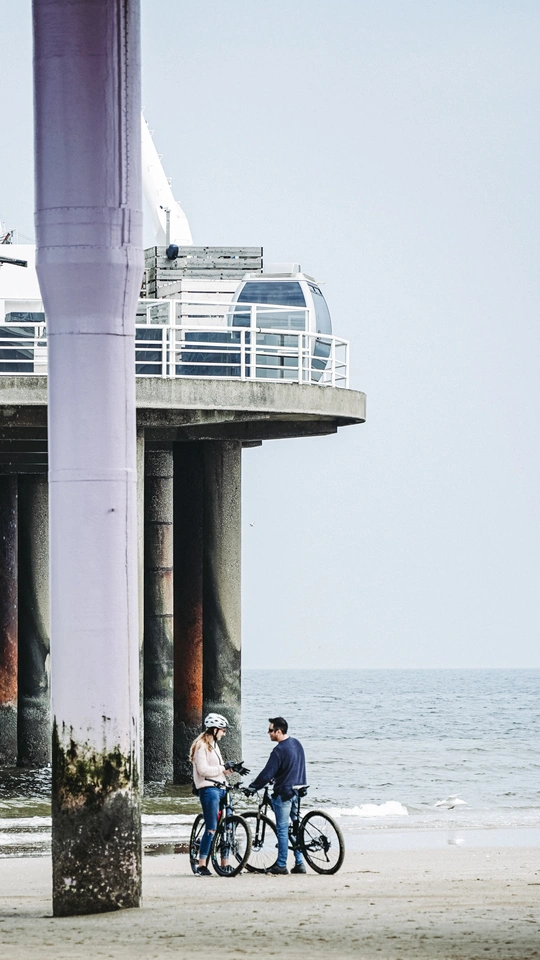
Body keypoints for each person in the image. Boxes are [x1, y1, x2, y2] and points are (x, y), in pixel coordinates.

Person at [248, 716, 307, 875]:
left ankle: (281, 864)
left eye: (270, 730)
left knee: (282, 829)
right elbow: (296, 767)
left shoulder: (278, 750)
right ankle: (300, 862)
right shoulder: (296, 743)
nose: (268, 733)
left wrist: (253, 787)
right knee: (295, 828)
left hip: (284, 793)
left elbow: (267, 773)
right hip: (298, 790)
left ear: (279, 732)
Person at [190, 712, 233, 876]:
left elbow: (218, 770)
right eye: (223, 730)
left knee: (228, 827)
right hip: (209, 789)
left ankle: (225, 863)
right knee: (212, 828)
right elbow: (203, 771)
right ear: (214, 729)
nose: (224, 733)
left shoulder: (214, 745)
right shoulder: (201, 746)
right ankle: (201, 865)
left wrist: (230, 769)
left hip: (222, 788)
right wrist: (222, 768)